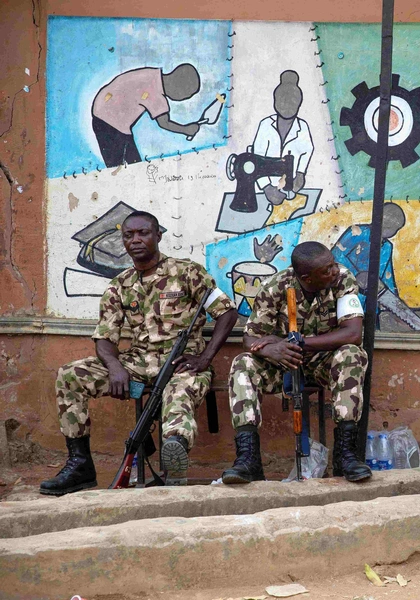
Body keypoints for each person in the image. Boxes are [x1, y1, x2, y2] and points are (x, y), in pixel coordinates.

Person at [40, 211, 237, 495]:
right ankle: (80, 464)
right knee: (70, 375)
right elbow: (105, 337)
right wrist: (114, 365)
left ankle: (175, 455)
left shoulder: (187, 272)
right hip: (137, 363)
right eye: (128, 235)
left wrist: (205, 357)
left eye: (143, 233)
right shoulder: (118, 286)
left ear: (158, 236)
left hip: (183, 363)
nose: (136, 240)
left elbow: (227, 313)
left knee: (179, 392)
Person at [222, 241, 371, 484]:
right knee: (242, 364)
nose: (334, 271)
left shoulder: (343, 279)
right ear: (306, 277)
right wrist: (272, 349)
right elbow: (250, 339)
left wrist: (299, 342)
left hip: (325, 362)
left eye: (333, 264)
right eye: (326, 270)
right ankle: (248, 459)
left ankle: (346, 456)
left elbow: (352, 334)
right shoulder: (275, 287)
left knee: (352, 354)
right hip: (282, 366)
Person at [91, 64, 202, 168]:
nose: (184, 99)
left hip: (105, 113)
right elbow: (165, 123)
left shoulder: (151, 75)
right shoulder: (155, 92)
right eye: (187, 95)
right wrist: (186, 129)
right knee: (124, 166)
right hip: (107, 120)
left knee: (132, 165)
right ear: (179, 88)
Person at [251, 70, 314, 207]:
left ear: (299, 103)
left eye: (292, 101)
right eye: (282, 100)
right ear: (275, 101)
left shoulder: (302, 127)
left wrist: (300, 173)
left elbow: (307, 151)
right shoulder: (266, 125)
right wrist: (267, 188)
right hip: (265, 192)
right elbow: (256, 159)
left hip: (289, 192)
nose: (287, 105)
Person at [331, 202, 405, 314]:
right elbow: (336, 256)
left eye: (394, 228)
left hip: (369, 305)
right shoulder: (356, 233)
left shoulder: (387, 247)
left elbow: (386, 275)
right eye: (387, 223)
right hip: (346, 297)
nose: (390, 230)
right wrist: (356, 274)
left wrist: (396, 303)